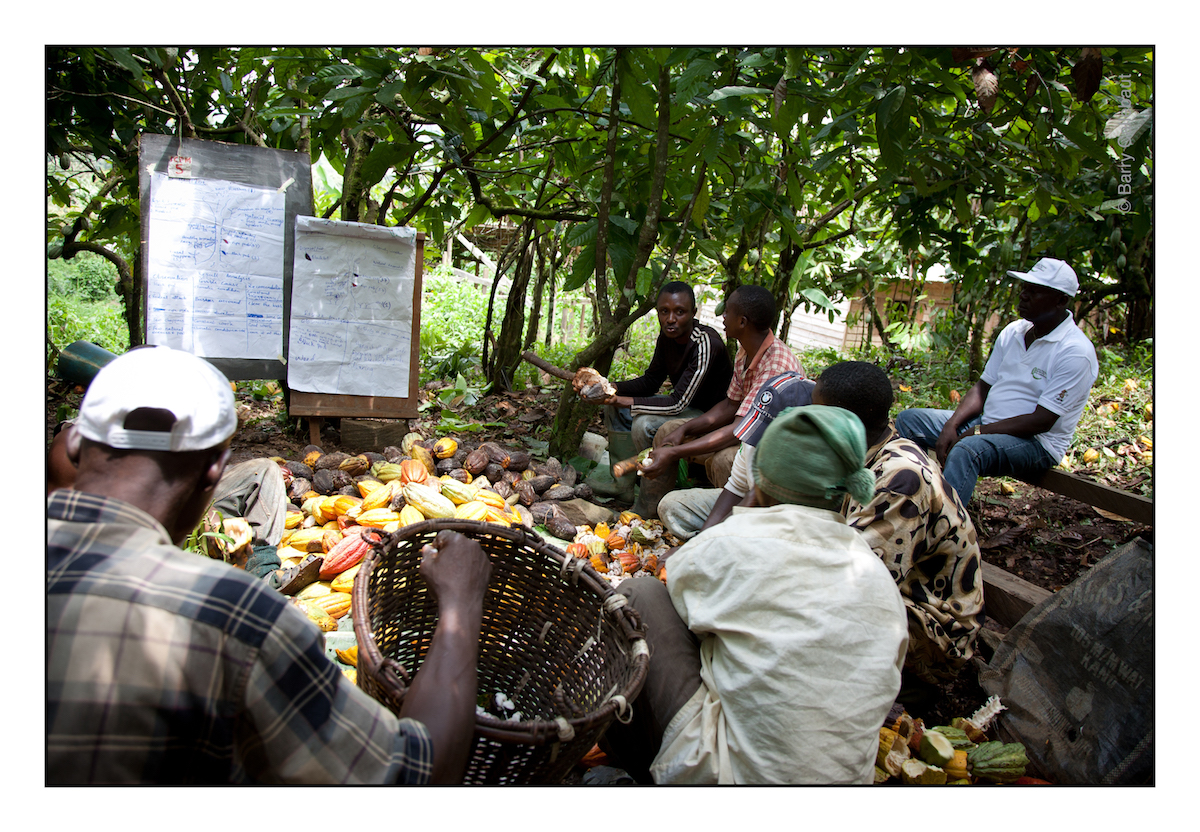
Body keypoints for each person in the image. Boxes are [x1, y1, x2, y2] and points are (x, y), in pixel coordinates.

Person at [47, 346, 491, 784]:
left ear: (69, 447)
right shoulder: (234, 617)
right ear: (214, 472)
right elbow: (414, 775)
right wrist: (460, 604)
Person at [599, 405, 908, 784]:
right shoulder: (877, 578)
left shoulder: (729, 545)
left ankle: (638, 773)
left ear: (759, 481)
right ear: (844, 492)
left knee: (638, 595)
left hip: (735, 779)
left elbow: (682, 610)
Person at [657, 361, 985, 689]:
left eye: (817, 408)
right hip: (867, 585)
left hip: (929, 630)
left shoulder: (900, 479)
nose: (809, 414)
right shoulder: (849, 452)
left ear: (842, 419)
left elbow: (849, 585)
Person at [896, 258, 1099, 506]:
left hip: (1036, 443)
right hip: (989, 425)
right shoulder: (1014, 332)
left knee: (967, 450)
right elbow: (982, 388)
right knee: (909, 420)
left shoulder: (1075, 351)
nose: (1023, 296)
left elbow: (1042, 421)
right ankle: (911, 499)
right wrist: (953, 423)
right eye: (1024, 288)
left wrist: (979, 431)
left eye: (1035, 291)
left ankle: (943, 530)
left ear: (1061, 300)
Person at [633, 283, 805, 518]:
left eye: (728, 311)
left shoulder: (775, 365)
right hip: (746, 433)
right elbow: (730, 405)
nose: (723, 316)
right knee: (668, 433)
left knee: (725, 461)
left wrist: (676, 452)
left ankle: (728, 526)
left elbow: (739, 430)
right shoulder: (746, 351)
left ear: (742, 321)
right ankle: (647, 516)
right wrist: (685, 429)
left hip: (768, 451)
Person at [576, 281, 733, 501]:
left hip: (709, 416)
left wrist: (620, 400)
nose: (670, 319)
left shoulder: (706, 343)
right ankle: (622, 485)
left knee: (644, 424)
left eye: (679, 312)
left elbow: (678, 402)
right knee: (617, 411)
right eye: (664, 311)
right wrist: (610, 389)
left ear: (693, 313)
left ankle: (654, 494)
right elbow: (651, 381)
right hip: (685, 408)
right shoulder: (667, 337)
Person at [655, 370, 814, 541]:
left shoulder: (811, 462)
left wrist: (710, 542)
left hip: (785, 527)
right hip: (753, 508)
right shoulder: (755, 435)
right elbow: (736, 488)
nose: (756, 441)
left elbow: (758, 504)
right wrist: (700, 543)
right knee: (672, 506)